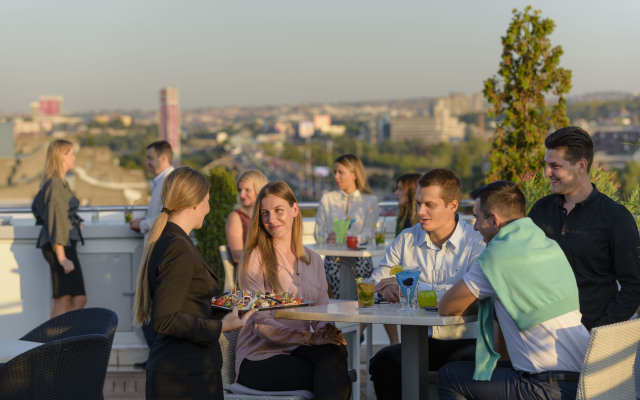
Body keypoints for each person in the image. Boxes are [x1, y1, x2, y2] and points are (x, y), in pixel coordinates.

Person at [437, 180, 590, 400]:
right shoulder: (548, 246)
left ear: (494, 220)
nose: (474, 226)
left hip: (547, 387)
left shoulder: (497, 257)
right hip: (585, 380)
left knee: (449, 376)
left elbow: (447, 307)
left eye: (477, 218)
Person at [132, 167, 254, 400]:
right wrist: (221, 327)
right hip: (183, 378)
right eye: (207, 201)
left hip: (181, 371)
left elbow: (188, 302)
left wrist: (229, 303)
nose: (208, 209)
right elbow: (165, 319)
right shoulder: (177, 247)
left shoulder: (171, 240)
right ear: (194, 203)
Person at [369, 168, 485, 400]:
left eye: (429, 205)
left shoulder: (476, 241)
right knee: (383, 361)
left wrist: (406, 286)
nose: (420, 211)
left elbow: (469, 294)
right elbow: (375, 282)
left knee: (460, 368)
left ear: (453, 205)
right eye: (419, 203)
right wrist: (386, 287)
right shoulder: (407, 239)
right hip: (418, 340)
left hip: (466, 340)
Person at [235, 180, 352, 399]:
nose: (271, 219)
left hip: (298, 350)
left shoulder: (314, 260)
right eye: (265, 213)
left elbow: (321, 313)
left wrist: (327, 332)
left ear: (295, 209)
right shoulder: (254, 259)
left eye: (278, 210)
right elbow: (259, 322)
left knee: (335, 350)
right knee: (332, 376)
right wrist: (308, 338)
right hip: (260, 357)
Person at [528, 126, 640, 330]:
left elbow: (634, 285)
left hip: (592, 337)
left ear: (581, 165)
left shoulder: (615, 217)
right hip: (540, 336)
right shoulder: (540, 210)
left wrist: (600, 331)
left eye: (555, 166)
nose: (547, 173)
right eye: (546, 165)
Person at [32, 139, 87, 318]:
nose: (74, 158)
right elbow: (55, 220)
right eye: (72, 154)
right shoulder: (54, 185)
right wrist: (62, 257)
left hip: (64, 244)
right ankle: (54, 344)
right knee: (63, 298)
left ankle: (64, 339)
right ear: (62, 157)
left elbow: (41, 210)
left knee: (78, 298)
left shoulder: (58, 183)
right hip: (60, 248)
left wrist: (72, 221)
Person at [315, 154, 379, 297]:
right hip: (334, 256)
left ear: (354, 174)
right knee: (331, 266)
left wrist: (346, 238)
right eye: (335, 172)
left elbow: (369, 232)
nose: (336, 176)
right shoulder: (327, 198)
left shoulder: (370, 200)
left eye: (340, 172)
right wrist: (327, 237)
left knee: (363, 269)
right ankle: (332, 316)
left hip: (360, 255)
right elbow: (318, 231)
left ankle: (363, 317)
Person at [129, 140, 175, 239]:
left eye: (150, 158)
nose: (147, 162)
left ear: (163, 158)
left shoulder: (171, 181)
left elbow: (168, 217)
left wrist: (141, 224)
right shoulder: (161, 180)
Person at [225, 169, 268, 263]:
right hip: (248, 272)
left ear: (259, 190)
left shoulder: (269, 215)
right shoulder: (236, 217)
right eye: (240, 190)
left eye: (247, 190)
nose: (241, 195)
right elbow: (237, 256)